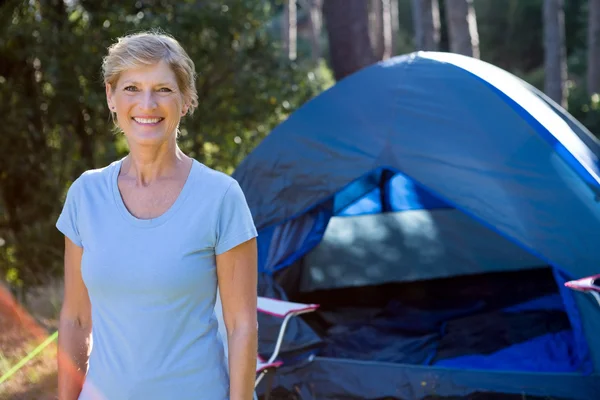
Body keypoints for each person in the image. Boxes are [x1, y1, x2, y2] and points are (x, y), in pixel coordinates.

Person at [56, 31, 258, 400]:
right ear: (110, 97)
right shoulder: (85, 194)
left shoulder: (221, 197)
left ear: (186, 100)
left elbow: (241, 325)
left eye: (163, 89)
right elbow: (75, 320)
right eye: (132, 87)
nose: (147, 103)